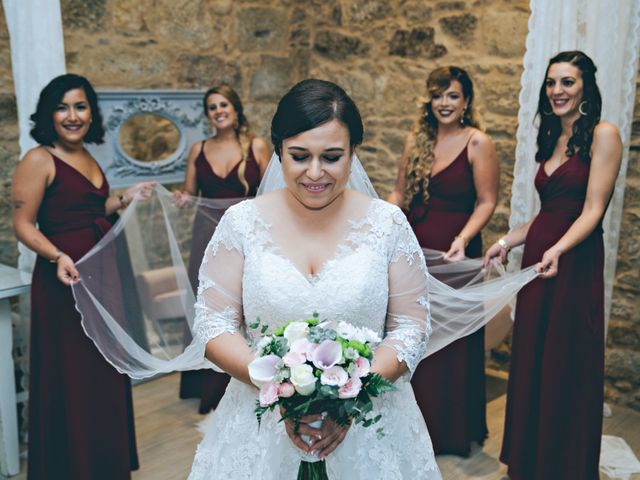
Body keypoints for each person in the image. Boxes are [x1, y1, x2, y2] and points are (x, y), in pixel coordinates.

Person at [188, 79, 441, 479]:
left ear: (353, 153)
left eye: (332, 156)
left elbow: (411, 325)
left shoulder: (387, 224)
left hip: (371, 422)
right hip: (260, 426)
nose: (315, 173)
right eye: (300, 156)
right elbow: (212, 323)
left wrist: (349, 397)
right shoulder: (241, 223)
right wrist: (283, 391)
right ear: (279, 152)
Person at [484, 51, 622, 479]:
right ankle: (531, 458)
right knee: (533, 357)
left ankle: (562, 464)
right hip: (542, 258)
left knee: (566, 358)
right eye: (551, 83)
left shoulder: (604, 134)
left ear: (585, 87)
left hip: (573, 262)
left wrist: (559, 249)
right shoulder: (553, 139)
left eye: (567, 82)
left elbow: (593, 209)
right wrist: (506, 241)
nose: (557, 91)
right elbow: (547, 214)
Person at [11, 74, 154, 479]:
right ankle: (72, 467)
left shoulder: (90, 157)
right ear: (48, 114)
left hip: (102, 274)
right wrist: (57, 255)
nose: (72, 116)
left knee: (103, 368)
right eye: (62, 107)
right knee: (71, 372)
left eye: (80, 106)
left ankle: (103, 463)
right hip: (65, 279)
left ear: (91, 112)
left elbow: (94, 209)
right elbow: (22, 224)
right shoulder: (38, 159)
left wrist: (127, 196)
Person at [387, 66, 499, 456]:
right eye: (438, 96)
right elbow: (399, 192)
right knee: (413, 334)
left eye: (452, 96)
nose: (444, 103)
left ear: (466, 101)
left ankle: (448, 431)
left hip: (454, 253)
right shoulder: (416, 140)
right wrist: (382, 218)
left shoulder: (477, 142)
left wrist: (463, 239)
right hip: (414, 250)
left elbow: (487, 201)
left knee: (450, 342)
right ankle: (409, 428)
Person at [174, 84, 270, 413]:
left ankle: (249, 374)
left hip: (247, 237)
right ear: (208, 114)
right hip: (206, 237)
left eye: (224, 104)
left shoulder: (256, 145)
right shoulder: (198, 148)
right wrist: (182, 198)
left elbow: (273, 192)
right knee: (210, 304)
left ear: (236, 108)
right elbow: (188, 192)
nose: (219, 111)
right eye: (212, 107)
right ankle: (204, 383)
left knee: (246, 303)